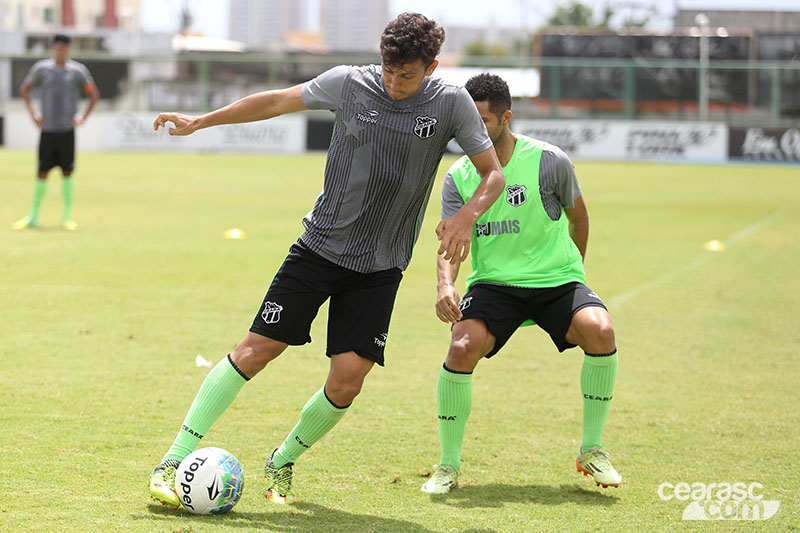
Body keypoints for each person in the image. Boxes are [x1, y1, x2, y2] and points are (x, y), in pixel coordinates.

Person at [148, 13, 505, 509]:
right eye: (388, 69)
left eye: (406, 74)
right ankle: (172, 458)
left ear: (432, 67)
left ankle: (283, 460)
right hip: (318, 250)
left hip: (380, 268)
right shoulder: (350, 83)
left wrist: (468, 214)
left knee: (348, 379)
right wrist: (202, 120)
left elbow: (493, 176)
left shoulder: (450, 102)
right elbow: (275, 101)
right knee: (256, 350)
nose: (394, 82)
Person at [420, 74, 622, 495]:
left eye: (482, 120)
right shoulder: (459, 176)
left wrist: (572, 272)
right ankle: (448, 465)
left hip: (556, 281)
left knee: (600, 330)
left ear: (506, 117)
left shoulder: (549, 160)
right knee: (461, 346)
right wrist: (444, 285)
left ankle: (592, 450)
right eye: (466, 121)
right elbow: (449, 242)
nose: (471, 130)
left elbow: (579, 217)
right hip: (494, 285)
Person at [14, 34, 99, 231]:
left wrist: (82, 118)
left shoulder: (77, 71)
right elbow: (24, 89)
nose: (60, 51)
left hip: (67, 131)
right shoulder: (41, 69)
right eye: (57, 48)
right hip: (48, 130)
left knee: (67, 172)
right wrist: (34, 113)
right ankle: (33, 215)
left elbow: (93, 95)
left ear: (68, 50)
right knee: (42, 171)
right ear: (53, 49)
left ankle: (67, 217)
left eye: (64, 48)